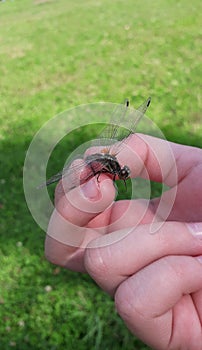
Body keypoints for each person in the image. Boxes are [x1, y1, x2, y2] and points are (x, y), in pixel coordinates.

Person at [45, 133, 202, 350]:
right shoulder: (105, 166)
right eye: (123, 173)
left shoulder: (116, 166)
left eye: (123, 173)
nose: (124, 174)